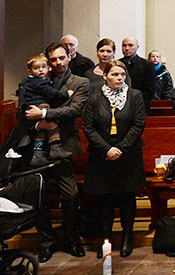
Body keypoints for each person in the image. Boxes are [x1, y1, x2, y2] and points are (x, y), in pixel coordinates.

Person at [24, 42, 90, 262]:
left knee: (69, 195)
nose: (58, 62)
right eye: (53, 59)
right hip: (37, 146)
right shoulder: (38, 77)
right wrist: (37, 125)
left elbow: (73, 109)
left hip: (64, 145)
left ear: (69, 57)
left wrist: (42, 115)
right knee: (39, 195)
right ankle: (47, 240)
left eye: (62, 58)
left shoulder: (80, 82)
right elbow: (22, 112)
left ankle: (72, 239)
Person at [81, 60, 146, 258]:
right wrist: (107, 149)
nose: (119, 78)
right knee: (105, 198)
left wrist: (121, 148)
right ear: (105, 76)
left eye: (122, 75)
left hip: (128, 154)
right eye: (115, 75)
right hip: (102, 155)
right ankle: (106, 238)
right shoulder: (94, 97)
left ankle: (127, 237)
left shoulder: (135, 96)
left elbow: (138, 123)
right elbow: (88, 126)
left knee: (127, 197)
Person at [120, 37, 156, 114]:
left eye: (130, 45)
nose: (127, 48)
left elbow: (150, 89)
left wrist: (137, 103)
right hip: (119, 106)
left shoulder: (147, 65)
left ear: (137, 47)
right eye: (124, 45)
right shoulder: (117, 64)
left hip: (140, 107)